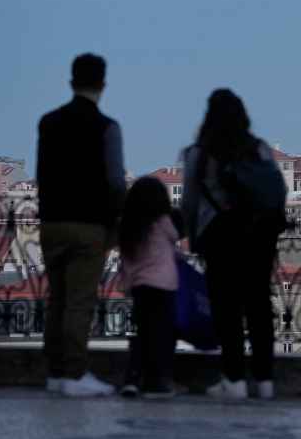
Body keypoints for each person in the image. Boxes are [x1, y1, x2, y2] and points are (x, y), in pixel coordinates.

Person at [181, 89, 286, 400]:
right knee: (258, 305)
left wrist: (192, 236)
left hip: (221, 236)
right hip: (259, 235)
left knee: (226, 309)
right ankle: (265, 381)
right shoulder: (260, 149)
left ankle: (234, 379)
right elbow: (276, 191)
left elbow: (189, 202)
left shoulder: (199, 154)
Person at [37, 53, 125, 397]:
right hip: (88, 225)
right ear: (102, 84)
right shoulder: (106, 127)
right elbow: (116, 181)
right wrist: (115, 222)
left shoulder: (48, 122)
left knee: (56, 298)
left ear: (71, 81)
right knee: (78, 300)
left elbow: (43, 171)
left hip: (52, 222)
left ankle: (55, 372)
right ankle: (74, 374)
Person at [118, 177, 180, 399]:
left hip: (140, 287)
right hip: (164, 286)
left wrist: (126, 286)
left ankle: (132, 379)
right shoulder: (162, 222)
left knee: (143, 333)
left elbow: (125, 262)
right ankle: (157, 382)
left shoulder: (128, 227)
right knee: (162, 334)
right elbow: (175, 236)